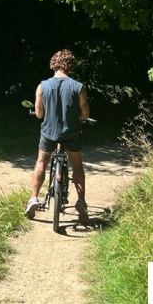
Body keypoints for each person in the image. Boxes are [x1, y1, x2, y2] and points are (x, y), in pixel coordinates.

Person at [24, 49, 90, 225]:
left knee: (41, 162)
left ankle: (34, 199)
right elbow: (84, 112)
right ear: (71, 65)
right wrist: (82, 116)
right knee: (77, 165)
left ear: (54, 64)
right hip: (72, 133)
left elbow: (39, 113)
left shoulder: (42, 86)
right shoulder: (79, 87)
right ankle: (81, 201)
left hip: (49, 133)